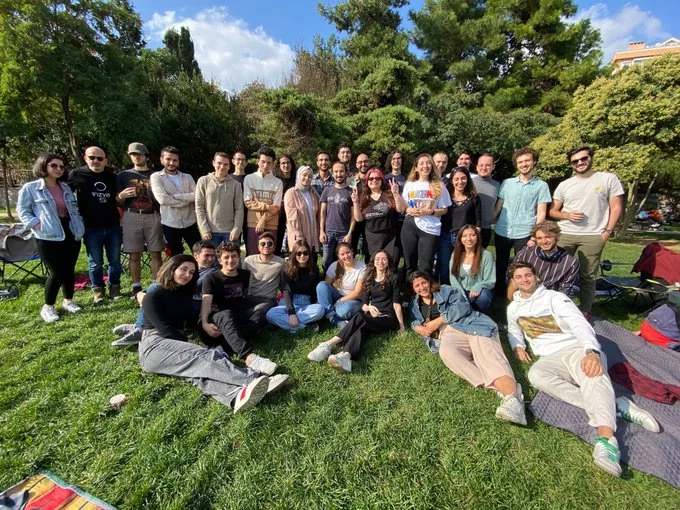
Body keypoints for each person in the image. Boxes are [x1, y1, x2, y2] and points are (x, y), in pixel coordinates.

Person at [507, 262, 659, 477]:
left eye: (527, 275)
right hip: (549, 357)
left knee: (593, 376)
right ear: (513, 281)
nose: (524, 280)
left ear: (537, 277)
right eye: (518, 277)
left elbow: (579, 324)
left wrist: (591, 352)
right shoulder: (513, 308)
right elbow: (513, 330)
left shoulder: (555, 298)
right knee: (536, 375)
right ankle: (616, 405)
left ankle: (607, 442)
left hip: (575, 348)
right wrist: (518, 346)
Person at [139, 254, 288, 414]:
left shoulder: (183, 294)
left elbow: (192, 317)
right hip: (154, 345)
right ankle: (253, 378)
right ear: (172, 268)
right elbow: (165, 330)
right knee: (202, 356)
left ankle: (235, 396)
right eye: (183, 269)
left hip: (171, 345)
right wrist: (195, 343)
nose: (187, 275)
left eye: (191, 272)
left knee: (197, 372)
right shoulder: (153, 295)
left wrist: (208, 324)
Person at [408, 271, 526, 425]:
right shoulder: (414, 303)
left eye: (424, 282)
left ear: (429, 282)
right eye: (417, 285)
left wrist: (439, 320)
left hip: (471, 324)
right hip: (447, 334)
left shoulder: (445, 290)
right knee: (447, 353)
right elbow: (414, 319)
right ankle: (500, 387)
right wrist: (417, 327)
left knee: (488, 355)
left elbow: (463, 306)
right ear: (413, 289)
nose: (421, 287)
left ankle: (513, 400)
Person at [550, 146, 624, 318]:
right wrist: (567, 215)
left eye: (583, 159)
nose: (580, 163)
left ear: (590, 158)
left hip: (594, 234)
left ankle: (585, 310)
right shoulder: (565, 185)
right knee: (557, 271)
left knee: (588, 276)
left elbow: (616, 206)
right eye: (575, 161)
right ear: (571, 164)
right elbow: (553, 211)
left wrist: (607, 231)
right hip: (565, 233)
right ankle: (555, 306)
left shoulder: (607, 179)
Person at [307, 250, 406, 373]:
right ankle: (346, 356)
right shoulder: (369, 278)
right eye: (377, 259)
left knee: (361, 317)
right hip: (370, 316)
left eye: (384, 259)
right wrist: (369, 308)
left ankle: (328, 344)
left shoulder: (393, 278)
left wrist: (401, 326)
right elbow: (364, 304)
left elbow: (396, 303)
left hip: (386, 318)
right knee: (361, 329)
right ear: (373, 262)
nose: (380, 261)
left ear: (388, 262)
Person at [17, 153, 85, 322]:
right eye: (54, 166)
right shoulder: (31, 188)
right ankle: (48, 307)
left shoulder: (65, 187)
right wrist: (36, 225)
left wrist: (79, 224)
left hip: (70, 231)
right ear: (43, 166)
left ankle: (68, 301)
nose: (58, 169)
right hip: (47, 235)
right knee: (57, 272)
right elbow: (23, 210)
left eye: (61, 166)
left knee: (69, 270)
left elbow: (73, 209)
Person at [111, 240, 217, 346]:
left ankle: (141, 328)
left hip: (194, 306)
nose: (210, 259)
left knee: (155, 290)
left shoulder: (210, 274)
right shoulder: (188, 263)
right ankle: (142, 326)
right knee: (154, 289)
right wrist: (140, 294)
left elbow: (186, 288)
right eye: (207, 255)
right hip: (178, 300)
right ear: (196, 255)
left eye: (213, 256)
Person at [201, 241, 279, 375]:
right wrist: (204, 324)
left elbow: (243, 297)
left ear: (239, 258)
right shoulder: (211, 278)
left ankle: (223, 348)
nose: (230, 260)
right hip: (218, 320)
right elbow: (206, 302)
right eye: (226, 257)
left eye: (234, 256)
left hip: (237, 316)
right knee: (227, 314)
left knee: (261, 313)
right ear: (220, 260)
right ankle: (249, 357)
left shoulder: (245, 275)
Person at [493, 146, 551, 297]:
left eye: (527, 161)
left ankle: (521, 293)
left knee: (523, 266)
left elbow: (541, 213)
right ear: (516, 164)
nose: (524, 164)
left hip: (525, 232)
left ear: (534, 162)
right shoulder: (507, 183)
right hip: (503, 230)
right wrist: (488, 220)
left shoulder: (541, 186)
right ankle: (500, 293)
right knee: (501, 263)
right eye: (520, 162)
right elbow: (499, 205)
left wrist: (534, 236)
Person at [68, 146, 122, 302]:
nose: (96, 161)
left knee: (115, 261)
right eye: (92, 157)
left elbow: (119, 199)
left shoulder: (112, 177)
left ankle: (115, 289)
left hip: (112, 225)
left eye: (100, 158)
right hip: (91, 227)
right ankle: (98, 291)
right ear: (85, 158)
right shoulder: (76, 175)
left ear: (105, 160)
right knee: (95, 262)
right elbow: (64, 193)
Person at [116, 142, 164, 295]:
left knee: (156, 252)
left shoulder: (156, 175)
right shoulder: (123, 175)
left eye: (139, 154)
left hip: (153, 215)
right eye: (133, 154)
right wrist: (121, 196)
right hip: (132, 214)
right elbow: (117, 200)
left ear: (146, 156)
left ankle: (155, 285)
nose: (136, 157)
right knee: (134, 253)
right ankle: (136, 286)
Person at [401, 153, 452, 278]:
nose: (425, 166)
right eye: (422, 163)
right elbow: (404, 207)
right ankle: (410, 292)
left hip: (430, 228)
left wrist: (432, 212)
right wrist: (409, 210)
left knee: (426, 265)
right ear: (416, 168)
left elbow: (445, 209)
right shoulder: (409, 185)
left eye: (428, 163)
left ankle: (424, 293)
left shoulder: (439, 185)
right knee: (410, 263)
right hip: (410, 226)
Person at [506, 221, 579, 301]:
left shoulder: (570, 262)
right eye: (539, 238)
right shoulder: (526, 253)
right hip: (525, 293)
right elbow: (511, 275)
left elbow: (565, 289)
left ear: (557, 237)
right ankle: (512, 308)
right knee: (513, 281)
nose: (544, 241)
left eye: (548, 237)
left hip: (551, 298)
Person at [150, 146, 201, 257]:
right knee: (176, 256)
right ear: (161, 159)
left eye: (175, 160)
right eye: (168, 159)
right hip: (171, 223)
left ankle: (200, 274)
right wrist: (186, 200)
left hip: (190, 222)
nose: (172, 163)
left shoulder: (187, 177)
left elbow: (197, 196)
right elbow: (163, 199)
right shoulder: (157, 177)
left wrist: (178, 196)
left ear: (178, 161)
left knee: (199, 253)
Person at [266, 240, 325, 333]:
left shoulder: (314, 269)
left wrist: (315, 302)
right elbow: (286, 291)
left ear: (309, 254)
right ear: (294, 254)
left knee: (320, 310)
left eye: (305, 253)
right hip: (288, 302)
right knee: (270, 314)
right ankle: (305, 327)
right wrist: (291, 312)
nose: (302, 256)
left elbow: (314, 289)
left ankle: (284, 325)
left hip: (305, 303)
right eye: (299, 253)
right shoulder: (287, 269)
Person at [437, 166, 481, 285]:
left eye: (463, 178)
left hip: (464, 238)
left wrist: (474, 240)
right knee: (444, 266)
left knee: (462, 266)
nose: (460, 182)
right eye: (456, 179)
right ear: (451, 180)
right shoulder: (445, 196)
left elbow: (478, 222)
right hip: (445, 236)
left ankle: (461, 291)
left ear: (468, 179)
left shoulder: (474, 198)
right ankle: (446, 291)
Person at [352, 168, 403, 263]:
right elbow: (359, 219)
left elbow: (400, 209)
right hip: (371, 238)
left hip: (390, 237)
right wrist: (355, 203)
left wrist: (396, 194)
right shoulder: (364, 197)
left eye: (377, 178)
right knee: (373, 267)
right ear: (367, 181)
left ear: (382, 180)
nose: (374, 180)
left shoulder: (389, 195)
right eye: (371, 179)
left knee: (390, 265)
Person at [195, 151, 244, 247]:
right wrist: (204, 228)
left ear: (229, 166)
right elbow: (199, 207)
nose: (222, 167)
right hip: (210, 231)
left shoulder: (236, 185)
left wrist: (237, 229)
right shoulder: (203, 181)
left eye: (225, 164)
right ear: (213, 163)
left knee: (232, 261)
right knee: (211, 261)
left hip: (230, 232)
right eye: (219, 163)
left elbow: (239, 208)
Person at [243, 146, 283, 256]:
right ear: (258, 161)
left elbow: (276, 207)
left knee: (269, 255)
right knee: (253, 255)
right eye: (263, 162)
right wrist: (267, 206)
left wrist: (263, 221)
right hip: (253, 223)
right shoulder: (249, 179)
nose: (266, 165)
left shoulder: (277, 182)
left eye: (269, 163)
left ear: (273, 164)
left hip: (271, 224)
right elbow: (248, 202)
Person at [316, 242, 366, 328]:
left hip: (354, 299)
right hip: (336, 295)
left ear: (352, 251)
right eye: (342, 254)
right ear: (338, 255)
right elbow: (325, 286)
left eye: (348, 252)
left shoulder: (362, 267)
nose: (346, 256)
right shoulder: (334, 265)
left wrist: (339, 301)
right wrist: (320, 300)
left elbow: (357, 292)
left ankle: (326, 313)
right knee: (321, 285)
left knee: (344, 310)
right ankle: (333, 318)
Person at [449, 225, 495, 312]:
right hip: (460, 291)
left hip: (478, 293)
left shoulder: (487, 255)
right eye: (464, 236)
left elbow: (490, 280)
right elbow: (453, 277)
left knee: (484, 297)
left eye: (472, 235)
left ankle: (477, 313)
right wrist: (461, 294)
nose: (469, 239)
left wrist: (479, 286)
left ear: (477, 237)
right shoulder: (456, 254)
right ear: (460, 239)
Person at [319, 161, 355, 272]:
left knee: (344, 260)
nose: (339, 174)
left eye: (341, 171)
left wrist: (349, 233)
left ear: (346, 173)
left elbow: (354, 216)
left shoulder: (350, 192)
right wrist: (321, 231)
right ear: (332, 173)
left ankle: (342, 282)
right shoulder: (327, 190)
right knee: (326, 260)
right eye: (336, 171)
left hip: (343, 233)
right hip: (329, 232)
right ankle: (327, 282)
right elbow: (322, 212)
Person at [284, 165, 320, 262]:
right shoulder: (291, 193)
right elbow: (292, 217)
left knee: (311, 265)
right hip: (298, 236)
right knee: (298, 265)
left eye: (310, 176)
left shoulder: (313, 193)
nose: (307, 178)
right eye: (304, 175)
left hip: (312, 236)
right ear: (298, 175)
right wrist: (299, 236)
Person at [471, 153, 500, 248]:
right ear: (476, 167)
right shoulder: (469, 183)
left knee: (481, 259)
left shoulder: (497, 185)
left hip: (486, 229)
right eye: (481, 165)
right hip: (469, 227)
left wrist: (491, 218)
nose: (484, 168)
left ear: (493, 167)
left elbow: (498, 205)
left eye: (488, 165)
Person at [273, 154, 296, 256]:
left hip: (294, 214)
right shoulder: (276, 180)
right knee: (278, 240)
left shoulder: (296, 179)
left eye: (288, 162)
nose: (286, 165)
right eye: (283, 163)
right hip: (280, 214)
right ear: (279, 165)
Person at [230, 150, 249, 246]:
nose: (240, 162)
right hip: (233, 216)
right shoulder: (228, 178)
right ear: (233, 161)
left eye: (243, 160)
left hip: (248, 215)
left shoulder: (250, 178)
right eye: (238, 159)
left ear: (246, 162)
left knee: (250, 245)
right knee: (233, 245)